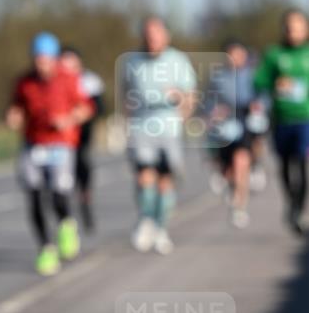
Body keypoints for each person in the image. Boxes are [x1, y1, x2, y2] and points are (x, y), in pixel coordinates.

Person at [7, 32, 93, 275]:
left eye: (45, 60)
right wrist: (13, 116)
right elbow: (17, 107)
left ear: (54, 59)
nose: (40, 65)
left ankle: (66, 224)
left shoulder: (68, 79)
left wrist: (68, 120)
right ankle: (46, 248)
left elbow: (86, 108)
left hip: (61, 145)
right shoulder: (24, 82)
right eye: (37, 59)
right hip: (33, 144)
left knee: (57, 195)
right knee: (33, 197)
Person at [121, 16, 197, 255]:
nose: (152, 39)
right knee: (144, 177)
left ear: (166, 36)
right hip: (142, 126)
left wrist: (181, 103)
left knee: (165, 183)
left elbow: (191, 97)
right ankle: (146, 219)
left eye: (156, 34)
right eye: (147, 35)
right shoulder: (132, 62)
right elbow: (126, 94)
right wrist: (127, 121)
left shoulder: (178, 61)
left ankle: (161, 227)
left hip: (168, 128)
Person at [254, 10, 309, 235]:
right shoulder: (274, 54)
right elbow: (259, 81)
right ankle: (291, 202)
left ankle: (298, 208)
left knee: (302, 161)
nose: (293, 31)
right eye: (289, 26)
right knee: (285, 164)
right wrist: (274, 85)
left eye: (297, 26)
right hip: (281, 118)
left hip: (305, 118)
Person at [205, 41, 267, 228]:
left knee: (242, 161)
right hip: (226, 125)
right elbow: (208, 101)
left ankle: (240, 206)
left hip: (246, 121)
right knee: (230, 169)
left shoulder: (254, 75)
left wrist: (260, 105)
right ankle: (233, 187)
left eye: (239, 54)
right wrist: (214, 111)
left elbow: (265, 96)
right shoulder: (217, 78)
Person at [60, 46, 105, 231]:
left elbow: (99, 107)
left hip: (82, 136)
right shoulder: (54, 82)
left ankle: (85, 203)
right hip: (60, 138)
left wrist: (82, 115)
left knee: (83, 171)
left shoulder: (90, 80)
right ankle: (65, 216)